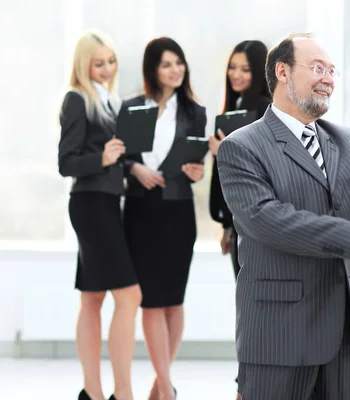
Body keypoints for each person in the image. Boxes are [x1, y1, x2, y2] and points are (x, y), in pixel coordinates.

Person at [216, 33, 350, 400]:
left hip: (346, 333)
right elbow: (269, 220)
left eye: (333, 71)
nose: (329, 79)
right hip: (279, 338)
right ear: (282, 72)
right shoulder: (241, 146)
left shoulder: (345, 141)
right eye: (318, 68)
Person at [121, 37, 206, 400]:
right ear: (152, 69)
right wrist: (135, 168)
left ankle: (160, 385)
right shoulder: (132, 107)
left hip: (177, 212)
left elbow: (199, 163)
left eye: (179, 63)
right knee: (151, 300)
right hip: (141, 212)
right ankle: (167, 389)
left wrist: (199, 172)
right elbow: (119, 155)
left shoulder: (195, 112)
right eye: (166, 64)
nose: (175, 70)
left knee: (173, 299)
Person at [58, 29, 141, 400]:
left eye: (111, 62)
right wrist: (102, 159)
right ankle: (121, 393)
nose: (107, 69)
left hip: (107, 201)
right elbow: (65, 162)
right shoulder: (77, 99)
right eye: (98, 63)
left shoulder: (110, 100)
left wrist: (127, 163)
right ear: (83, 65)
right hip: (90, 203)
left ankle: (91, 393)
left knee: (92, 298)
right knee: (129, 296)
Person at [208, 40, 271, 279]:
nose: (236, 75)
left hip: (256, 224)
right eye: (232, 67)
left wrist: (223, 151)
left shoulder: (266, 110)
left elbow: (263, 166)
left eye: (245, 69)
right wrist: (226, 226)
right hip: (237, 223)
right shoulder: (233, 107)